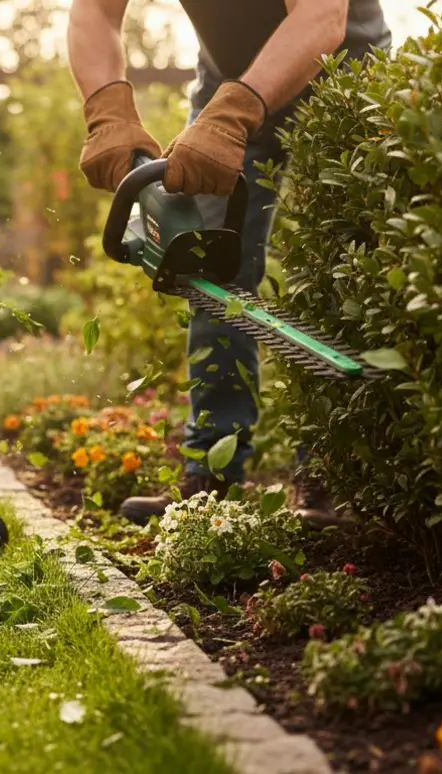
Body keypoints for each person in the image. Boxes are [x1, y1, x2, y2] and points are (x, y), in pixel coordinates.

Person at [64, 0, 392, 524]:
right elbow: (95, 12)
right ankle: (211, 474)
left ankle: (334, 476)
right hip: (227, 81)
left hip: (344, 81)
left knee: (343, 275)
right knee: (208, 268)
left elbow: (321, 18)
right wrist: (107, 111)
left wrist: (234, 113)